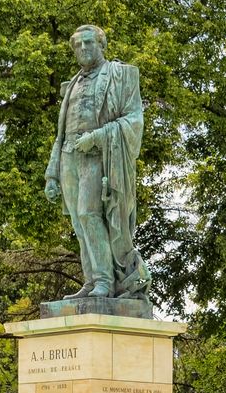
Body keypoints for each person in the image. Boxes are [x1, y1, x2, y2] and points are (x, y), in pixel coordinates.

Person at [44, 24, 149, 300]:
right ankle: (91, 281)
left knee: (90, 214)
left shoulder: (119, 75)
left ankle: (105, 280)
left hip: (97, 156)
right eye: (78, 45)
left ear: (101, 45)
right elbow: (61, 131)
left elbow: (134, 120)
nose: (83, 49)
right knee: (79, 222)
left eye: (88, 43)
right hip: (69, 156)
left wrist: (99, 136)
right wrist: (51, 174)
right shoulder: (73, 84)